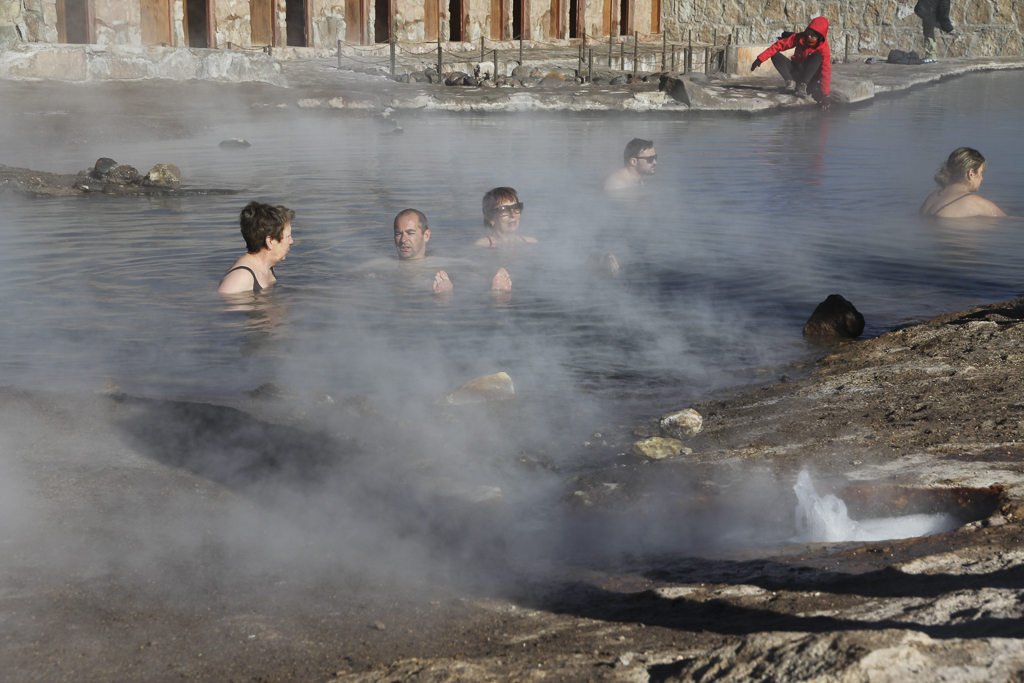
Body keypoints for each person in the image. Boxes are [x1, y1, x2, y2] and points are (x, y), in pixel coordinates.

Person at [391, 208, 511, 294]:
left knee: (472, 278)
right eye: (398, 234)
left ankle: (497, 293)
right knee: (418, 283)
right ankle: (443, 295)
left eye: (410, 233)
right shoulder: (382, 264)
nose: (403, 239)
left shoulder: (442, 262)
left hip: (442, 285)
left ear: (426, 235)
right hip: (418, 293)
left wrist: (487, 275)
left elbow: (473, 269)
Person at [751, 17, 831, 108]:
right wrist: (760, 59)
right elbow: (779, 45)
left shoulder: (824, 48)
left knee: (817, 56)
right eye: (809, 33)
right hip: (797, 71)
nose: (809, 36)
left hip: (810, 77)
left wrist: (825, 95)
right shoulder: (800, 37)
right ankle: (790, 82)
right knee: (774, 54)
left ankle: (803, 85)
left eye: (813, 35)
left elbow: (826, 71)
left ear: (819, 37)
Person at [218, 201, 294, 294]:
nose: (291, 241)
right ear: (269, 241)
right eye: (288, 236)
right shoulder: (241, 277)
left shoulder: (268, 267)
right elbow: (220, 304)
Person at [920, 147, 1007, 218]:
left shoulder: (931, 197)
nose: (982, 178)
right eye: (980, 173)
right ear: (971, 173)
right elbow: (1009, 221)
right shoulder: (974, 202)